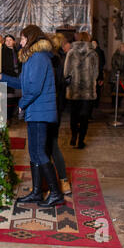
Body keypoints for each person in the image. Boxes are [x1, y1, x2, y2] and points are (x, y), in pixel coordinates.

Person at [0, 25, 64, 208]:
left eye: (23, 39)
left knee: (40, 152)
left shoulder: (38, 57)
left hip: (40, 111)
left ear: (31, 38)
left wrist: (21, 104)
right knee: (34, 152)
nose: (20, 42)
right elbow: (22, 83)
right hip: (36, 111)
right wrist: (0, 76)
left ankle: (56, 192)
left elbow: (34, 88)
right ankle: (36, 193)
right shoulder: (33, 58)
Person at [63, 32, 99, 149]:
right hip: (87, 90)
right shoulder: (93, 53)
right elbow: (96, 73)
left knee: (74, 115)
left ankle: (74, 136)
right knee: (84, 117)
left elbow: (66, 72)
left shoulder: (71, 52)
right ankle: (81, 140)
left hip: (74, 89)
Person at [47, 33, 71, 194]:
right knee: (51, 144)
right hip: (57, 105)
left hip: (50, 107)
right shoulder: (59, 59)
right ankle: (60, 180)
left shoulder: (51, 62)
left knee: (51, 145)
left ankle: (58, 182)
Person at [1, 34, 22, 122]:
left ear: (14, 41)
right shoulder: (3, 52)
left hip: (18, 76)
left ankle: (15, 115)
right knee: (7, 98)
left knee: (16, 97)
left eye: (10, 40)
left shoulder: (18, 51)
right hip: (8, 76)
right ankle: (8, 118)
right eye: (6, 40)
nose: (8, 42)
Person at [110, 42, 124, 108]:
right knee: (115, 91)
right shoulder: (116, 55)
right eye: (123, 47)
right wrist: (118, 69)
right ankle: (114, 104)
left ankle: (120, 104)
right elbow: (113, 64)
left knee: (122, 91)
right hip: (116, 75)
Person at [90, 39, 106, 117]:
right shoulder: (90, 52)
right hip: (91, 76)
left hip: (97, 74)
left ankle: (95, 105)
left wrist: (101, 77)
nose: (93, 44)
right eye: (92, 43)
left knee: (97, 90)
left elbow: (101, 65)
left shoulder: (99, 52)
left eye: (94, 43)